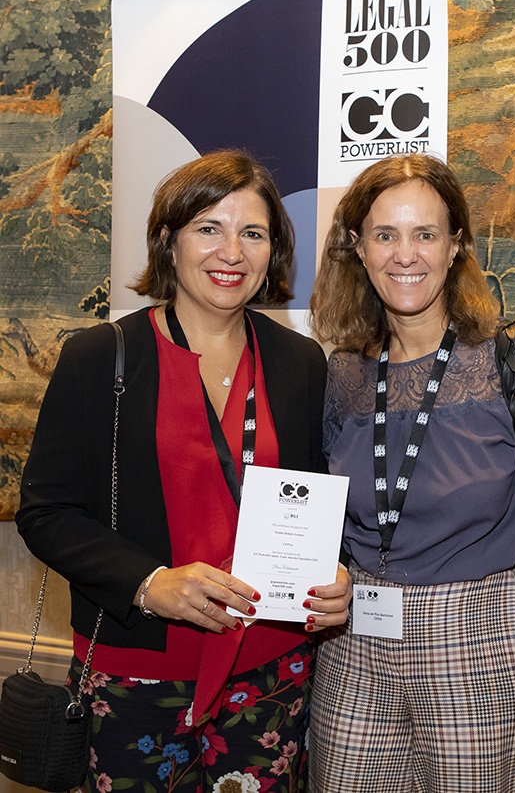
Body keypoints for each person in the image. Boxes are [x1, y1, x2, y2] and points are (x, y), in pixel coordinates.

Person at [16, 149, 351, 793]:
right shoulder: (99, 358)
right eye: (209, 228)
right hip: (135, 670)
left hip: (269, 672)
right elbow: (46, 513)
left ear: (273, 252)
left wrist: (331, 572)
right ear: (169, 240)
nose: (232, 252)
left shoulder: (301, 362)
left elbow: (313, 498)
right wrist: (150, 583)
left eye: (253, 233)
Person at [307, 153, 515, 793]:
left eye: (425, 233)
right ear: (358, 248)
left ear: (455, 247)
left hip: (481, 640)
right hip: (354, 644)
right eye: (385, 234)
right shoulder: (343, 372)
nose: (405, 255)